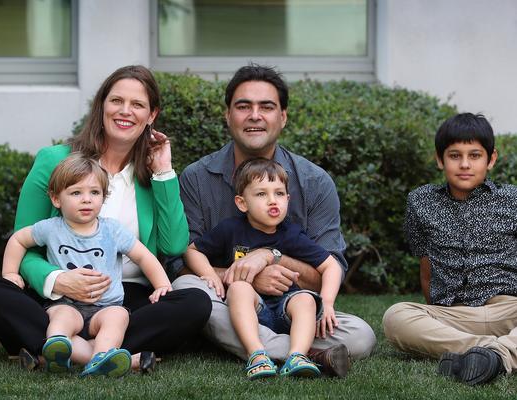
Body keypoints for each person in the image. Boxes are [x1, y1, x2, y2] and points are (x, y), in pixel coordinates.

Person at [0, 65, 211, 371]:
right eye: (116, 101)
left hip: (124, 297)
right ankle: (108, 353)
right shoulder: (55, 160)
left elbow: (174, 246)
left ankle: (54, 350)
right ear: (101, 105)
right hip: (55, 298)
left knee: (196, 303)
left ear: (151, 116)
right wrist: (59, 280)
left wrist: (163, 171)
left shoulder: (152, 176)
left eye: (137, 105)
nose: (125, 111)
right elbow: (24, 244)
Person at [171, 64, 376, 376]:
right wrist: (247, 277)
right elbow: (182, 261)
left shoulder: (314, 182)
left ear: (283, 117)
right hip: (229, 300)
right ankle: (304, 354)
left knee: (361, 336)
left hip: (291, 306)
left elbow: (328, 270)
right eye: (243, 106)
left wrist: (270, 257)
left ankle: (250, 345)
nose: (255, 115)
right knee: (187, 288)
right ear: (228, 115)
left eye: (266, 107)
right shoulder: (197, 178)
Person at [2, 154, 172, 377]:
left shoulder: (113, 230)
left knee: (118, 317)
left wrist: (161, 284)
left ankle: (100, 356)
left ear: (103, 197)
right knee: (61, 317)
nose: (86, 199)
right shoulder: (50, 228)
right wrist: (10, 272)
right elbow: (18, 239)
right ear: (56, 199)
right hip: (67, 303)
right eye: (76, 193)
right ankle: (57, 347)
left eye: (94, 192)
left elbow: (143, 256)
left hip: (106, 306)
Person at [383, 113, 517, 386]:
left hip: (509, 309)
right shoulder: (421, 201)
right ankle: (491, 352)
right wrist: (435, 318)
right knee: (395, 317)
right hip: (454, 315)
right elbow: (426, 268)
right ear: (439, 159)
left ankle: (493, 355)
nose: (465, 164)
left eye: (475, 155)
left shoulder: (512, 199)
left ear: (491, 159)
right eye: (455, 155)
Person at [185, 158, 345, 379]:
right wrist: (211, 275)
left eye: (279, 194)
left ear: (288, 199)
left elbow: (331, 266)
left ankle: (296, 356)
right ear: (242, 203)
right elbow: (192, 251)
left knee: (306, 300)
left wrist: (326, 303)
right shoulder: (230, 230)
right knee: (239, 288)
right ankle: (257, 355)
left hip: (285, 309)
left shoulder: (291, 234)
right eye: (261, 194)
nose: (273, 201)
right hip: (250, 308)